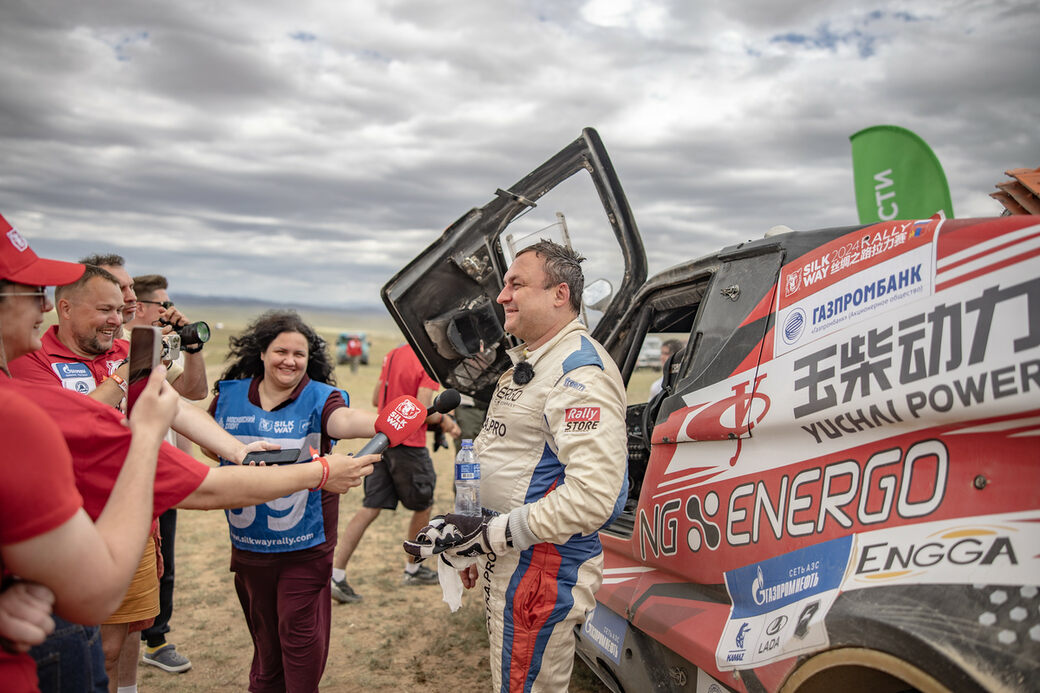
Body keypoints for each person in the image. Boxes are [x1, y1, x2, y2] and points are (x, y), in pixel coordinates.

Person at [405, 239, 628, 691]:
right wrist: (472, 535)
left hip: (541, 571)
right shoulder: (527, 365)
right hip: (509, 556)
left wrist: (489, 536)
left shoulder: (578, 372)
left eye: (516, 284)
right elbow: (505, 460)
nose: (501, 296)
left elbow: (594, 497)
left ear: (559, 295)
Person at [0, 216, 180, 693]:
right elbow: (74, 419)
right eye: (28, 292)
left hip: (119, 521)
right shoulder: (25, 376)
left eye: (124, 306)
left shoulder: (118, 348)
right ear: (67, 307)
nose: (121, 313)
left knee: (122, 640)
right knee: (92, 643)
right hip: (76, 531)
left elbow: (185, 406)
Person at [205, 310, 380, 692]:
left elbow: (342, 422)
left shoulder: (320, 396)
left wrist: (383, 421)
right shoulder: (230, 396)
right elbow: (208, 442)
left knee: (298, 635)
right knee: (266, 643)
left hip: (306, 546)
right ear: (262, 353)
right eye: (281, 351)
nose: (290, 360)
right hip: (250, 547)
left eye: (299, 354)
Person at [331, 343, 461, 603]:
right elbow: (425, 411)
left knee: (370, 508)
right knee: (423, 504)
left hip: (383, 441)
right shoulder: (426, 359)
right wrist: (446, 421)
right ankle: (413, 569)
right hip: (409, 445)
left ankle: (336, 572)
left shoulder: (392, 354)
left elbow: (375, 398)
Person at [127, 274, 203, 674]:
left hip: (162, 479)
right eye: (163, 305)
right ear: (140, 308)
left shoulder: (159, 352)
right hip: (124, 482)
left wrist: (192, 345)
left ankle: (156, 639)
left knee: (163, 564)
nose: (169, 311)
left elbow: (194, 393)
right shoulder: (122, 353)